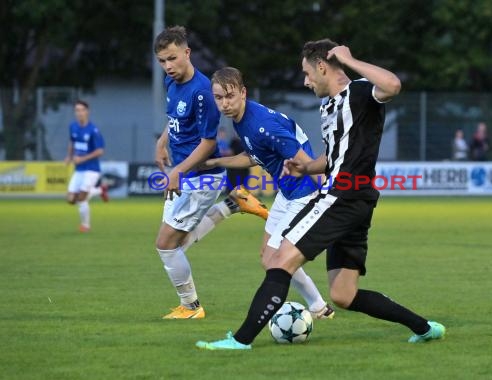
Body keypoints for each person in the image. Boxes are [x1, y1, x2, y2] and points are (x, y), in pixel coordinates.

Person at [196, 39, 445, 350]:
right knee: (344, 294)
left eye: (307, 72)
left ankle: (241, 341)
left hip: (342, 195)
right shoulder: (330, 105)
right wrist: (304, 168)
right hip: (358, 198)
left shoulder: (361, 91)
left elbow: (393, 85)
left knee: (279, 261)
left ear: (323, 67)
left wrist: (349, 59)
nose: (305, 80)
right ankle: (424, 328)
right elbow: (332, 158)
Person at [193, 66, 334, 319]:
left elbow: (306, 161)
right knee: (267, 257)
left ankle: (318, 308)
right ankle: (319, 308)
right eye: (219, 98)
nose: (224, 103)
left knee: (274, 259)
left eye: (230, 96)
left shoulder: (263, 125)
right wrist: (215, 163)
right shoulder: (242, 120)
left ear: (243, 93)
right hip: (286, 193)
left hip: (304, 194)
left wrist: (327, 195)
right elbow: (253, 157)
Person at [153, 26, 268, 320]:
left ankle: (191, 307)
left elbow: (208, 144)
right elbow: (174, 119)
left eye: (172, 58)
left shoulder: (203, 92)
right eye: (162, 61)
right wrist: (163, 140)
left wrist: (177, 170)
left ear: (187, 53)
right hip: (184, 174)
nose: (168, 66)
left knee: (166, 244)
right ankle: (233, 204)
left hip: (200, 176)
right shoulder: (170, 82)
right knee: (177, 244)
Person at [64, 100, 109, 232]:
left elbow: (100, 150)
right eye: (77, 110)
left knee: (82, 198)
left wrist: (82, 158)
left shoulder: (93, 130)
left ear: (87, 112)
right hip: (79, 170)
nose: (79, 113)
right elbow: (71, 142)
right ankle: (100, 190)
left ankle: (85, 225)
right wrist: (69, 156)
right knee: (71, 199)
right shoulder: (73, 126)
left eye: (82, 110)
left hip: (92, 170)